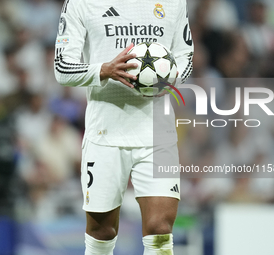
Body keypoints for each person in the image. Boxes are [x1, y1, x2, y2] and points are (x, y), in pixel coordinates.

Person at [54, 0, 194, 254]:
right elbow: (62, 67)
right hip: (104, 134)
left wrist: (170, 76)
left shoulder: (174, 2)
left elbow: (186, 56)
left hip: (157, 133)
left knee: (160, 227)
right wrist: (104, 70)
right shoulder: (81, 3)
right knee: (102, 231)